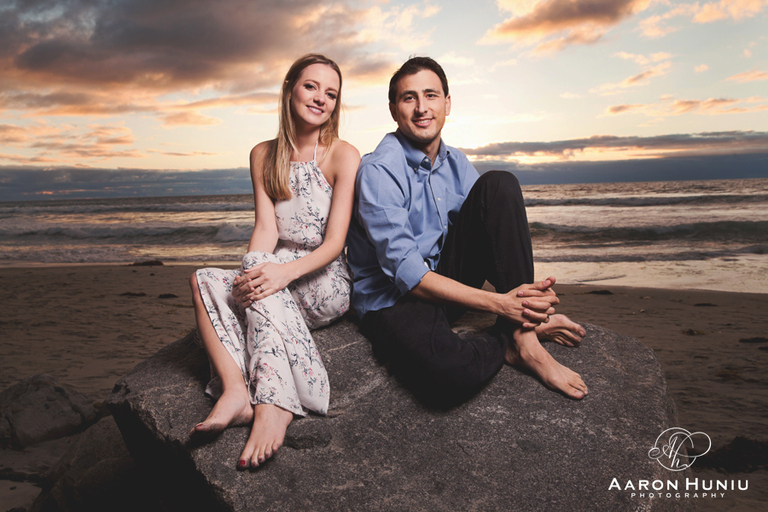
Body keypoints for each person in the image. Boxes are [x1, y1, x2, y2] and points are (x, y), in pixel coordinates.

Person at [346, 56, 588, 404]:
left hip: (443, 282)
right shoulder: (379, 170)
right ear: (393, 109)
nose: (421, 108)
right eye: (408, 98)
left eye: (430, 95)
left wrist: (526, 303)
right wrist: (503, 306)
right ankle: (509, 340)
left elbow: (492, 229)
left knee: (499, 185)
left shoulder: (456, 161)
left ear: (447, 103)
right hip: (394, 300)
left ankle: (525, 337)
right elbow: (409, 276)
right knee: (448, 375)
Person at [189, 54, 360, 468]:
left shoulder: (343, 154)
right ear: (289, 89)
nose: (321, 98)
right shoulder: (262, 154)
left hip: (323, 276)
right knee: (204, 280)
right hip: (276, 263)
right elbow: (266, 228)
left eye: (331, 93)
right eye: (311, 86)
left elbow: (335, 242)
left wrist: (280, 275)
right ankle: (235, 392)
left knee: (263, 293)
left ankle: (275, 404)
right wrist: (254, 272)